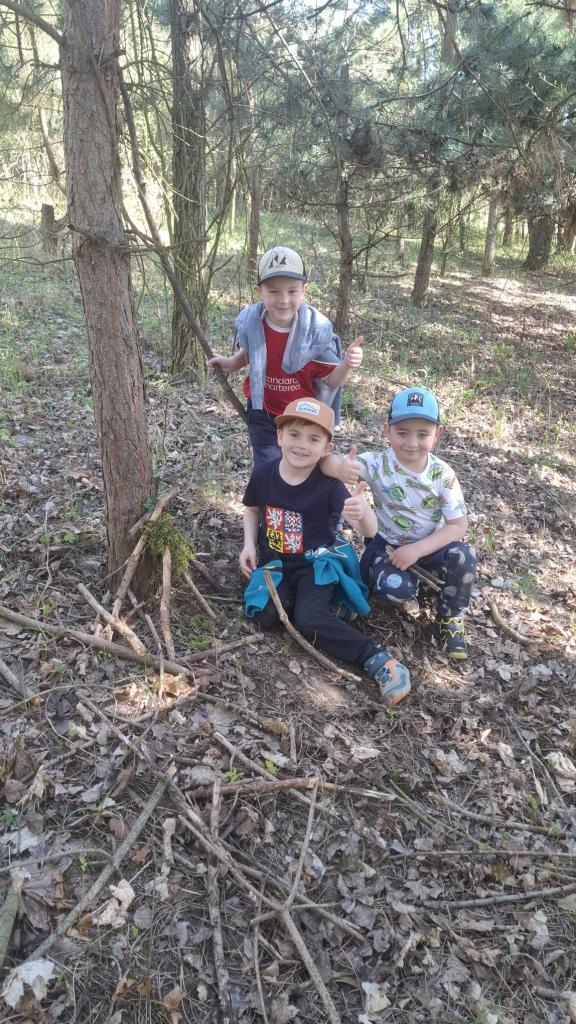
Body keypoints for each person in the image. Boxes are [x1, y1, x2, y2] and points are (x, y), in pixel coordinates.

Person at [239, 396, 411, 706]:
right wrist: (248, 544)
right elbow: (251, 509)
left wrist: (362, 511)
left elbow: (369, 531)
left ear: (326, 448)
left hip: (316, 564)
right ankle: (331, 605)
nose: (301, 445)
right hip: (276, 563)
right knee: (264, 615)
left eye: (313, 439)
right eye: (294, 434)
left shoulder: (329, 486)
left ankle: (378, 661)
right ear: (279, 436)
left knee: (308, 620)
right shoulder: (264, 473)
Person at [323, 387, 477, 660]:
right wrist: (339, 468)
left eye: (422, 434)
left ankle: (450, 619)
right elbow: (328, 462)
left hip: (430, 546)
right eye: (403, 432)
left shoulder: (442, 474)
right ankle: (410, 591)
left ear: (437, 434)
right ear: (387, 431)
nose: (412, 442)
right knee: (394, 589)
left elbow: (458, 525)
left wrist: (417, 550)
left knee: (465, 555)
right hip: (388, 547)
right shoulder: (378, 464)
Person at [208, 245, 364, 469]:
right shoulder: (252, 322)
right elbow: (252, 352)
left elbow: (330, 382)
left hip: (301, 419)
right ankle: (264, 493)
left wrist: (347, 364)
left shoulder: (315, 333)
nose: (283, 300)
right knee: (267, 467)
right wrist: (232, 363)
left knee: (299, 470)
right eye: (273, 291)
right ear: (259, 291)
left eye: (292, 291)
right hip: (263, 409)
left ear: (304, 290)